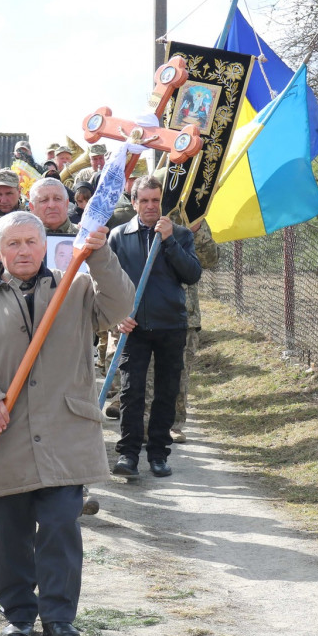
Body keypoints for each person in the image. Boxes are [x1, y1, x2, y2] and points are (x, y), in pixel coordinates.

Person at [0, 210, 133, 636]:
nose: (23, 251)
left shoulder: (74, 286)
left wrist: (100, 256)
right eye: (13, 243)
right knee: (8, 531)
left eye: (31, 242)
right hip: (3, 433)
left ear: (45, 246)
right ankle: (18, 615)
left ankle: (59, 617)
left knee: (62, 524)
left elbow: (120, 308)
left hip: (65, 431)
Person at [107, 176, 202, 478]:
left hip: (171, 325)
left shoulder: (181, 235)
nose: (150, 206)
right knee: (132, 392)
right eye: (144, 200)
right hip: (133, 327)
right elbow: (107, 282)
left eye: (155, 201)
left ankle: (159, 454)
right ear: (133, 203)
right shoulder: (119, 236)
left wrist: (170, 240)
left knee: (166, 392)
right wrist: (118, 315)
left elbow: (191, 274)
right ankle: (128, 455)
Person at [172, 225, 219, 442]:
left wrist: (197, 230)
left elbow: (210, 259)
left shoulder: (192, 214)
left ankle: (173, 424)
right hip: (148, 310)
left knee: (180, 373)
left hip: (184, 313)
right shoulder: (147, 207)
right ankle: (144, 423)